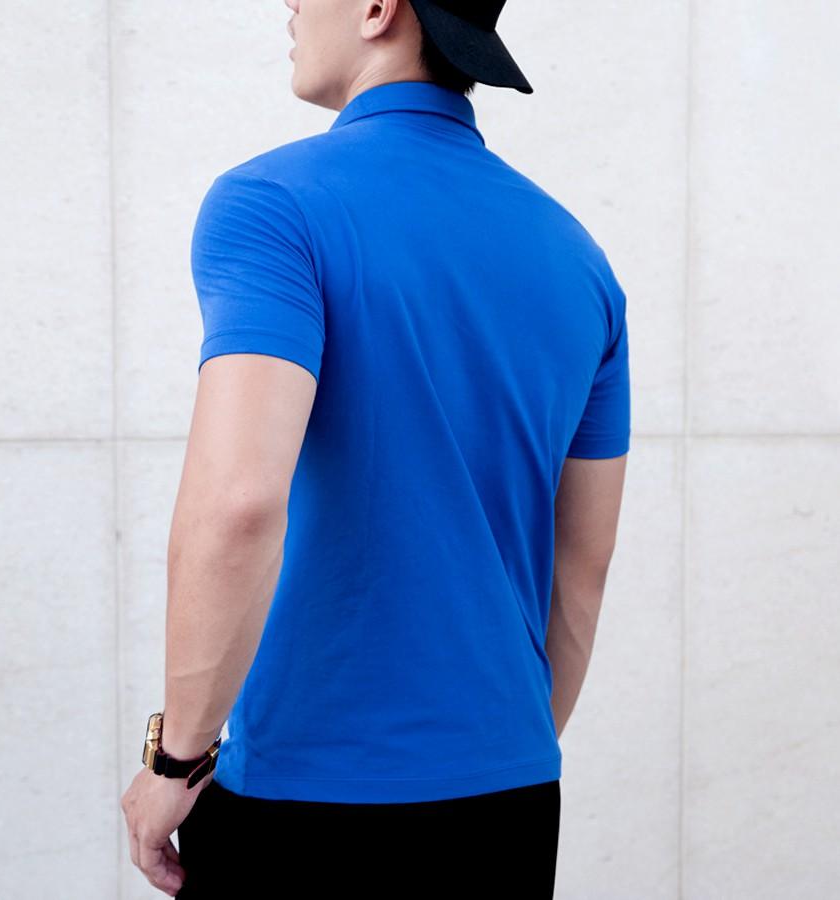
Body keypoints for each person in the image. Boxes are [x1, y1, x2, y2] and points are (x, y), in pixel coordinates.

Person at [120, 1, 630, 897]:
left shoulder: (273, 206)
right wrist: (491, 760)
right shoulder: (580, 260)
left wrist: (177, 760)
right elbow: (580, 574)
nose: (290, 2)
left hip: (306, 803)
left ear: (377, 7)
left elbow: (238, 504)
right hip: (508, 802)